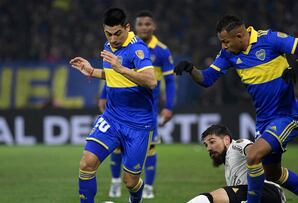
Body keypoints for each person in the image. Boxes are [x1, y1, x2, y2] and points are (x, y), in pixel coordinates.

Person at [175, 15, 298, 203]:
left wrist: (297, 65)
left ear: (240, 35)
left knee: (253, 154)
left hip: (287, 116)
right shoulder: (228, 55)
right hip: (263, 121)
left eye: (225, 41)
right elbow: (207, 79)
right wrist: (191, 69)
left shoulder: (270, 39)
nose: (223, 46)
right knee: (272, 173)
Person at [69, 8, 157, 203]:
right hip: (112, 117)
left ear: (127, 27)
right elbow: (114, 75)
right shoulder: (108, 46)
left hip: (137, 125)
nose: (113, 39)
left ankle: (136, 199)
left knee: (130, 181)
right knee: (87, 163)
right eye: (108, 34)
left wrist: (120, 67)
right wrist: (92, 71)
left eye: (117, 33)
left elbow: (151, 81)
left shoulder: (137, 49)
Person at [98, 10, 176, 199]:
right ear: (134, 26)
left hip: (146, 107)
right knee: (116, 146)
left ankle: (147, 186)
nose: (144, 28)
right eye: (141, 24)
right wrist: (103, 94)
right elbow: (112, 74)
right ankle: (116, 182)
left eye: (147, 24)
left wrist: (169, 106)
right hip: (121, 105)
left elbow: (170, 81)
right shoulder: (119, 45)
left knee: (150, 148)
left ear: (153, 26)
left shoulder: (162, 51)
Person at [187, 124, 286, 203]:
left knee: (210, 198)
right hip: (256, 195)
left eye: (212, 142)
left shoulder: (236, 145)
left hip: (266, 192)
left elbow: (253, 152)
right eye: (206, 145)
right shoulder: (229, 162)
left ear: (226, 140)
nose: (208, 148)